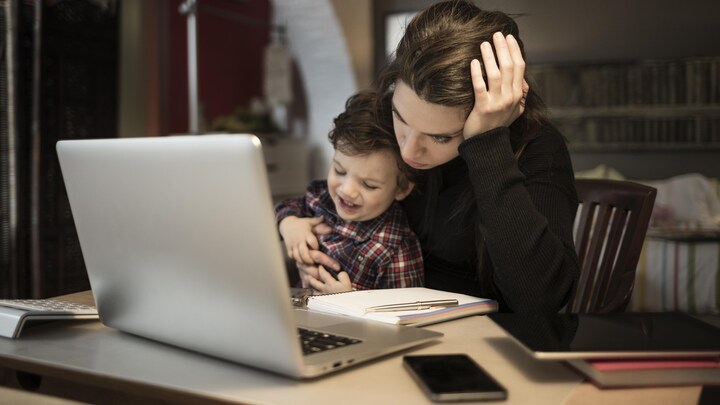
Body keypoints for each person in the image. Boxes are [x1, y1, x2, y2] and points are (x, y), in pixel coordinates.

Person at [295, 0, 580, 314]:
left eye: (441, 137)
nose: (408, 151)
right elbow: (333, 200)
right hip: (379, 320)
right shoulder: (380, 122)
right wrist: (291, 224)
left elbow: (540, 300)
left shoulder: (537, 148)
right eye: (400, 118)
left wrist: (488, 144)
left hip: (486, 339)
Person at [275, 90, 423, 292]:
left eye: (369, 185)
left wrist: (349, 300)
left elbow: (405, 311)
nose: (347, 190)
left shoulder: (395, 247)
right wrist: (289, 224)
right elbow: (286, 206)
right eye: (339, 170)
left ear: (402, 189)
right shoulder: (322, 198)